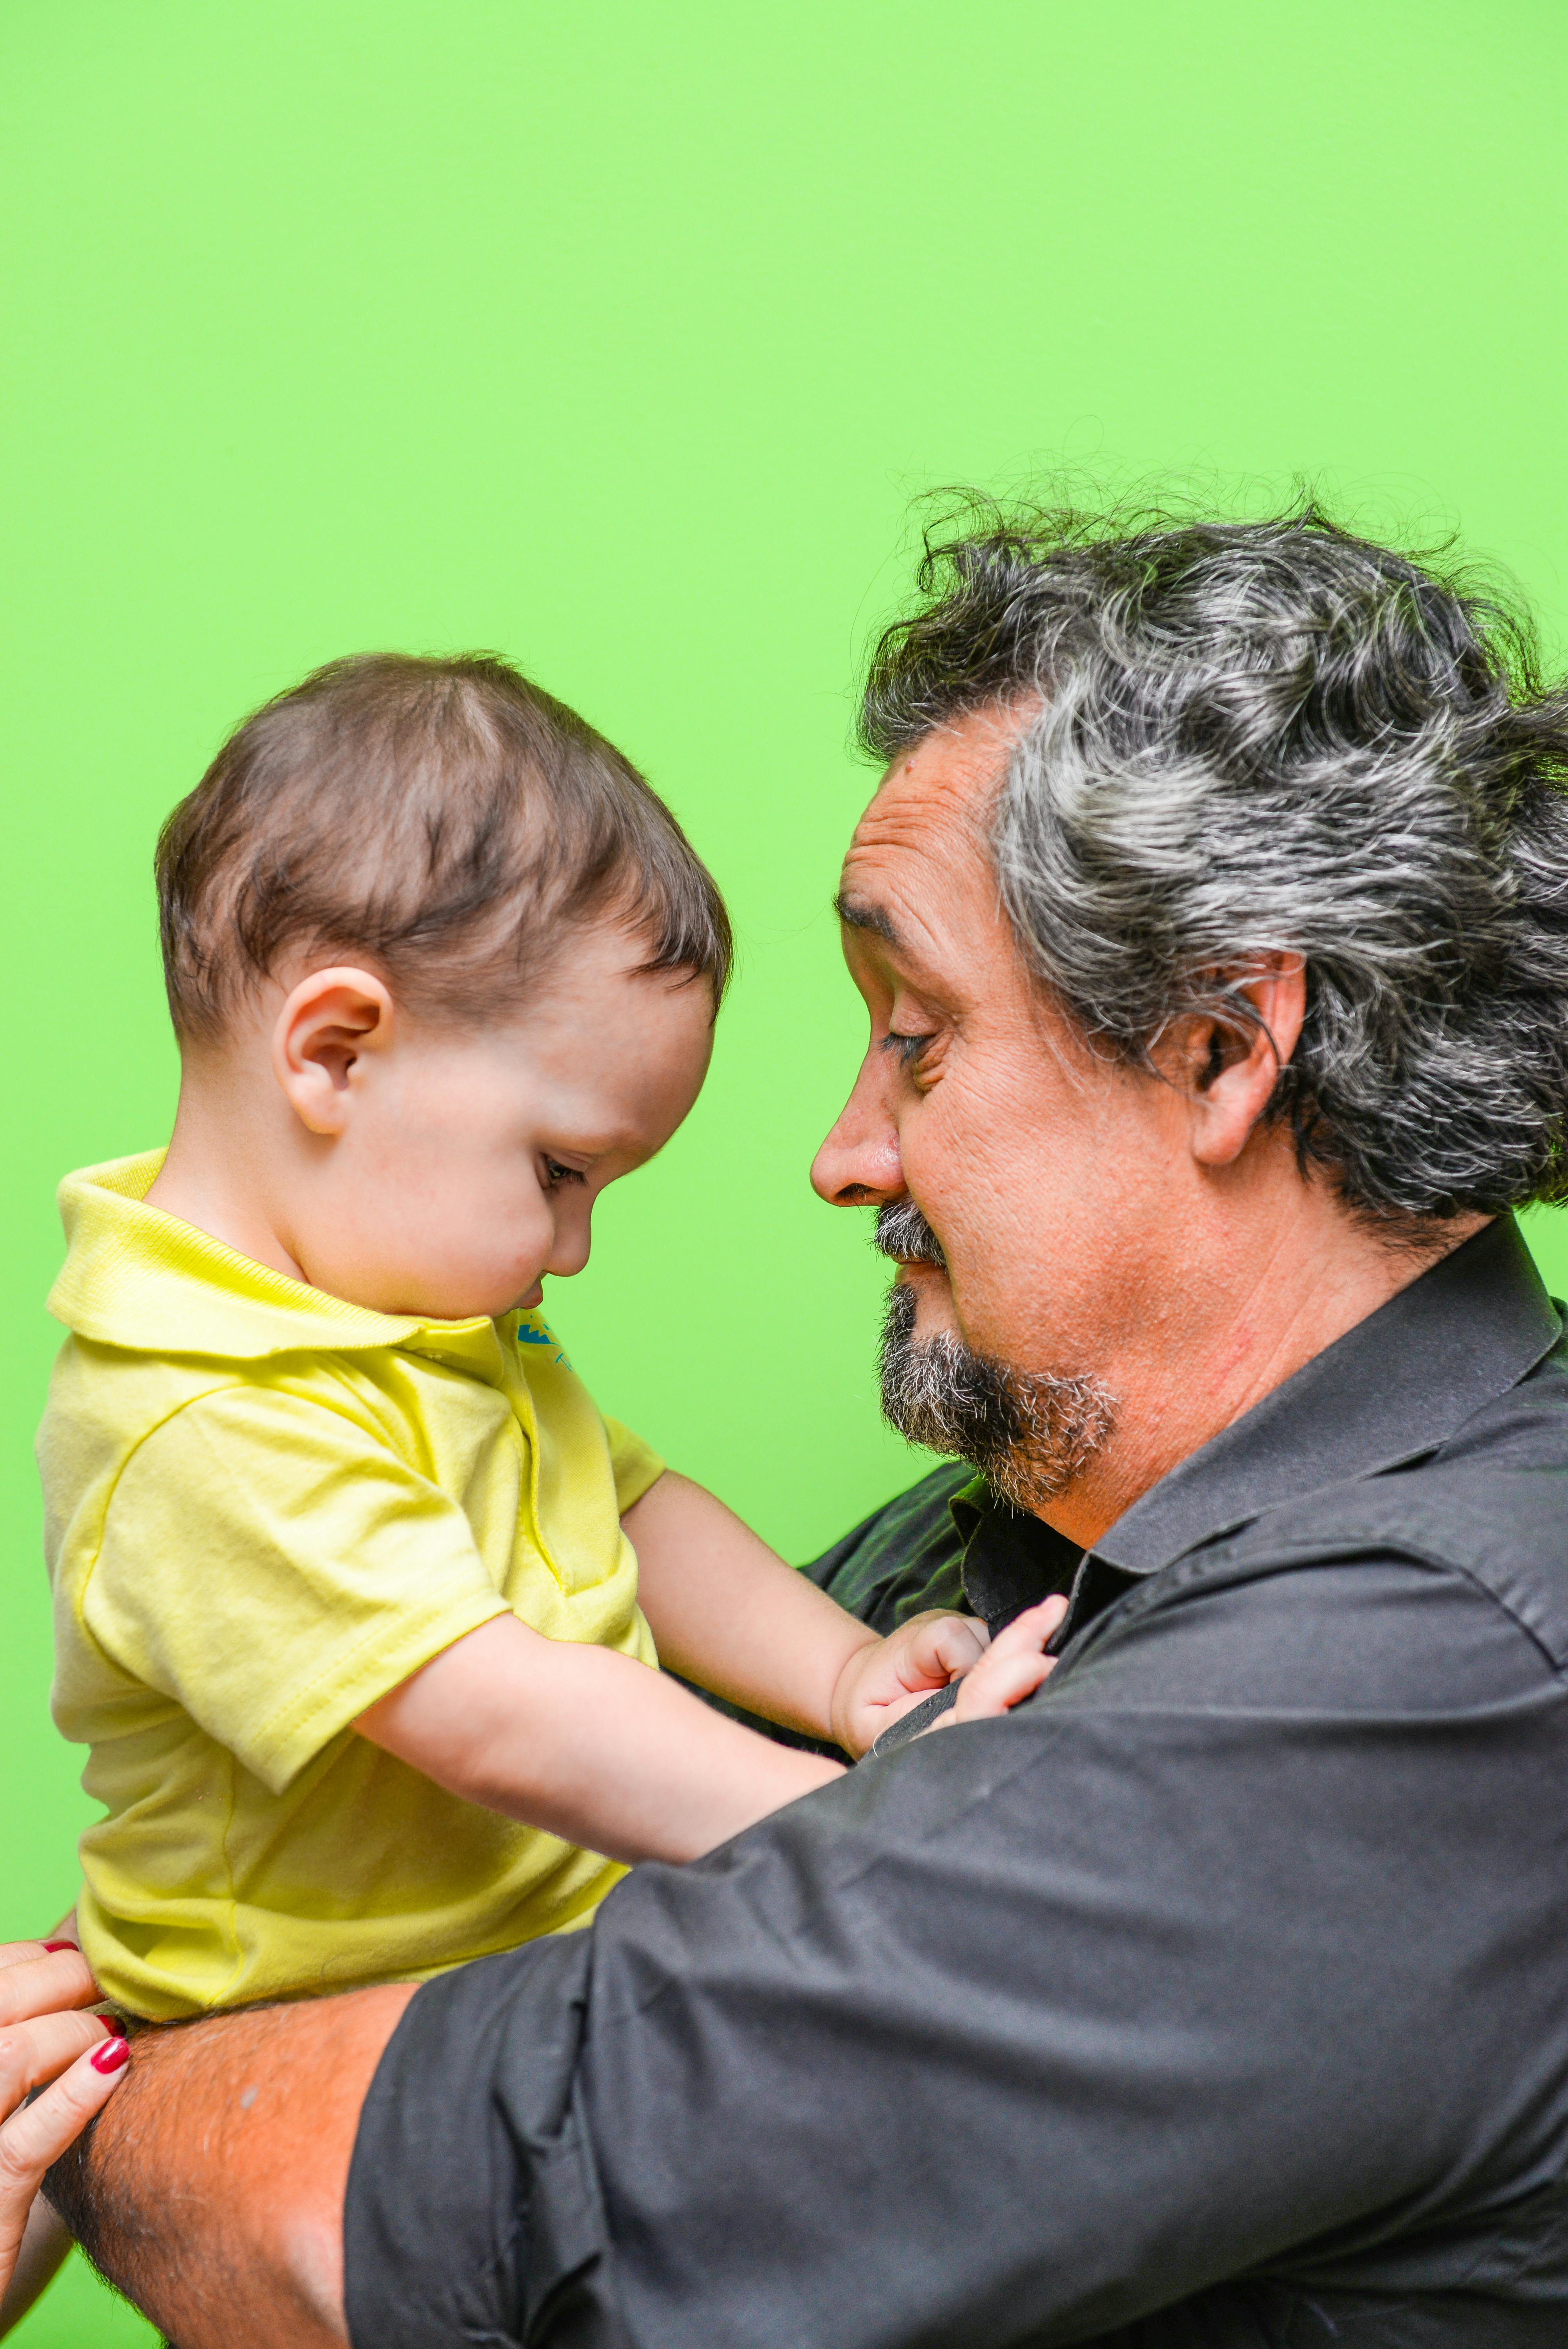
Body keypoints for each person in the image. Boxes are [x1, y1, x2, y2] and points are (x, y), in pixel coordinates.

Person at [23, 498, 1568, 2345]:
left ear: (1221, 1050)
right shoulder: (972, 1548)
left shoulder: (1425, 1673)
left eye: (914, 1035)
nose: (841, 1157)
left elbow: (365, 2216)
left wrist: (111, 2097)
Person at [41, 649, 1017, 2031]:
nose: (572, 1251)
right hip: (297, 2037)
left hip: (517, 1972)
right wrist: (844, 1828)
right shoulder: (200, 1414)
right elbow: (495, 1711)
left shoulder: (403, 1316)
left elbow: (629, 1511)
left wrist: (845, 1674)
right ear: (333, 1053)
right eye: (561, 1171)